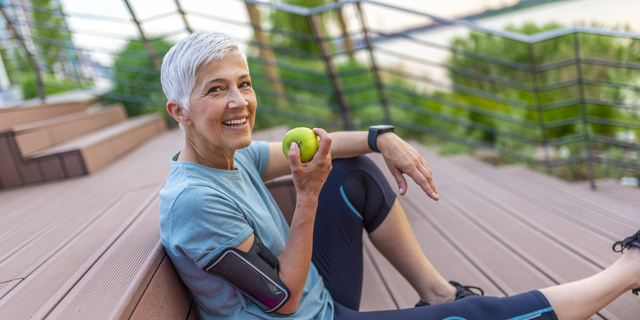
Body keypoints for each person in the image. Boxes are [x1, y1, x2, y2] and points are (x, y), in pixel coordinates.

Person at [159, 31, 640, 320]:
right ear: (178, 110)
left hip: (318, 299)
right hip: (301, 311)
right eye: (216, 90)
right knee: (476, 317)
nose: (239, 102)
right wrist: (306, 199)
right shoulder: (196, 205)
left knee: (351, 170)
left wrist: (381, 138)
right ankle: (631, 270)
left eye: (243, 83)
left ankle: (435, 292)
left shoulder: (230, 153)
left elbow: (330, 145)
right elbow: (282, 301)